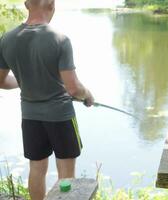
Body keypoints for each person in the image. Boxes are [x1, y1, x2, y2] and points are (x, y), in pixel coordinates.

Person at [0, 0, 94, 199]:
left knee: (36, 168)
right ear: (51, 5)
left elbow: (1, 81)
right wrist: (88, 95)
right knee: (66, 174)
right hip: (60, 116)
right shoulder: (59, 39)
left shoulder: (7, 39)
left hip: (30, 116)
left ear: (26, 4)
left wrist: (25, 81)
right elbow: (73, 88)